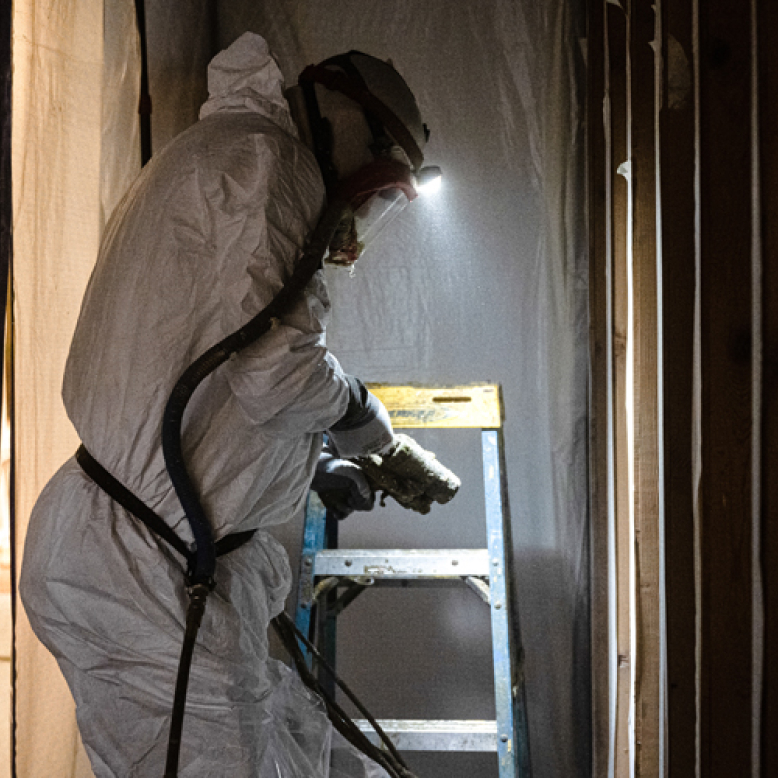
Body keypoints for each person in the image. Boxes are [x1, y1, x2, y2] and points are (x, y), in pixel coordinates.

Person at [20, 32, 435, 777]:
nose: (362, 218)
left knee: (277, 749)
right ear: (353, 132)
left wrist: (306, 470)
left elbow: (203, 376)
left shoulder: (233, 155)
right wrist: (364, 421)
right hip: (143, 572)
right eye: (377, 194)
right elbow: (276, 372)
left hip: (137, 557)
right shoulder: (268, 165)